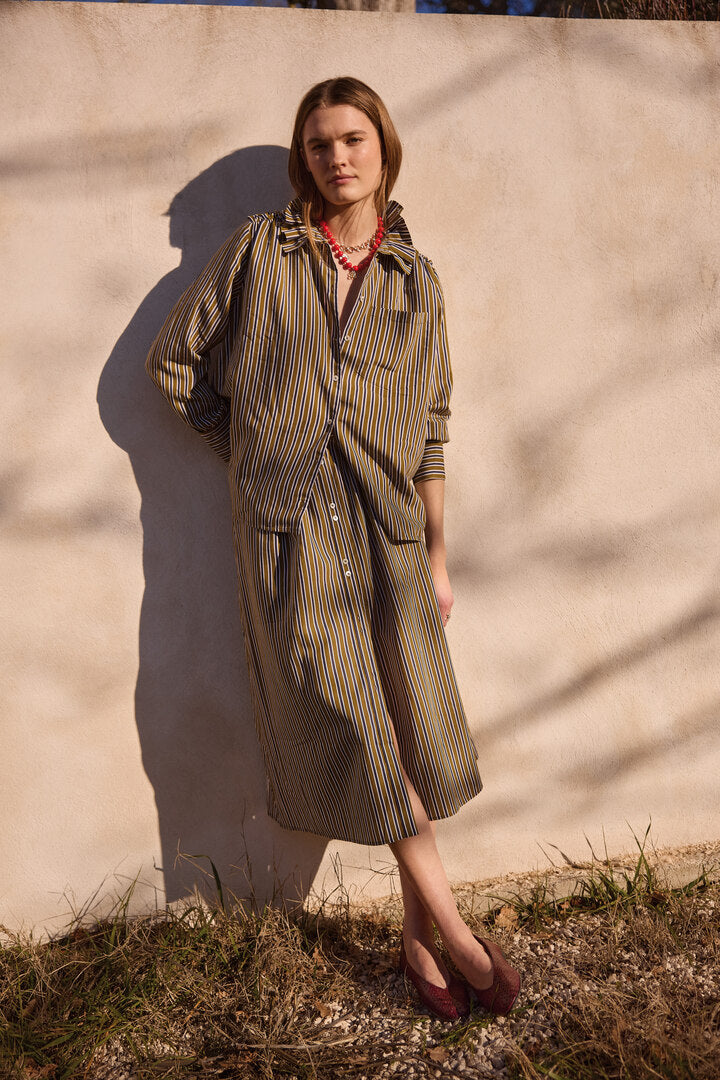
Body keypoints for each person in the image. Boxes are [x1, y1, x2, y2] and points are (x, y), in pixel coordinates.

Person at [146, 76, 520, 1021]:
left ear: (383, 146)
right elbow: (177, 362)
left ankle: (412, 945)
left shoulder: (415, 280)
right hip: (293, 539)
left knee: (405, 728)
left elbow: (432, 426)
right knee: (360, 728)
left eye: (352, 138)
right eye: (318, 144)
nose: (336, 157)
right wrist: (255, 456)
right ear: (302, 158)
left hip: (391, 537)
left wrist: (437, 554)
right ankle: (462, 937)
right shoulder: (258, 253)